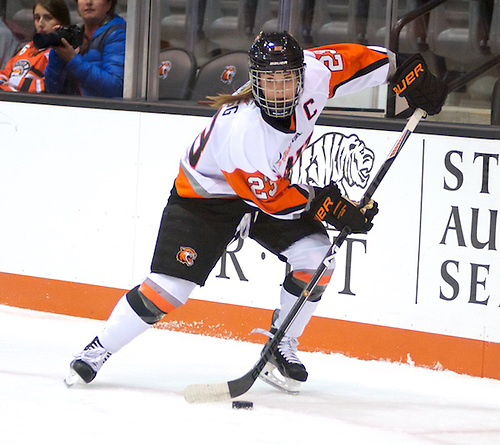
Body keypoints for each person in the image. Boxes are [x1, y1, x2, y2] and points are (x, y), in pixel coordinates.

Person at [64, 32, 448, 392]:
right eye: (270, 80)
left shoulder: (316, 72)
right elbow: (273, 201)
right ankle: (97, 349)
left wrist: (408, 71)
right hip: (206, 198)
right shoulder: (244, 132)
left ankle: (282, 346)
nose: (280, 89)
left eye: (288, 79)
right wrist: (331, 207)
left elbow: (363, 60)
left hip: (266, 187)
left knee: (315, 260)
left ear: (301, 74)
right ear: (256, 79)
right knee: (168, 290)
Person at [44, 0, 125, 97]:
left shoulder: (118, 34)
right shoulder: (76, 32)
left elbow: (115, 87)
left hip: (99, 109)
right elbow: (51, 88)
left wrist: (72, 59)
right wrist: (57, 49)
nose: (89, 2)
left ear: (109, 4)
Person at [0, 1, 70, 93]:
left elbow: (48, 86)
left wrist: (15, 82)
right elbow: (6, 71)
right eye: (37, 18)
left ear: (62, 23)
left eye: (48, 18)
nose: (40, 23)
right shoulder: (28, 47)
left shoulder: (61, 53)